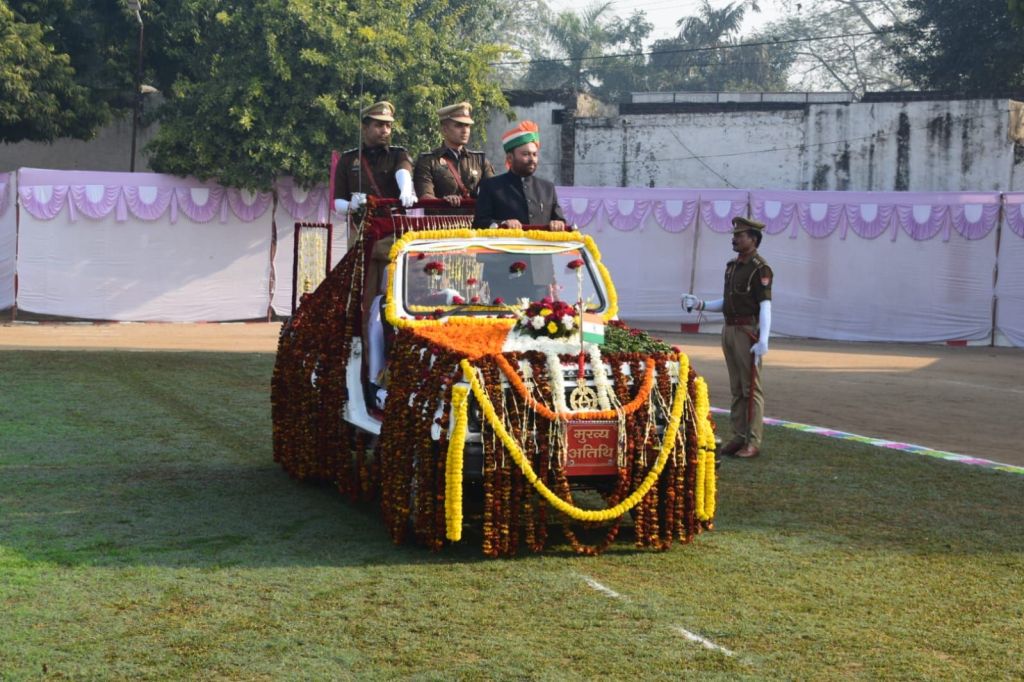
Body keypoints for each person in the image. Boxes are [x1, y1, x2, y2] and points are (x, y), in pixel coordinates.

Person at [682, 216, 773, 459]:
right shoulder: (733, 266)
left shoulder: (760, 268)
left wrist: (763, 340)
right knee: (737, 387)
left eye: (739, 235)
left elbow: (765, 305)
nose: (734, 239)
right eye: (734, 235)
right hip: (730, 329)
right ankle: (739, 436)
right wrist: (701, 304)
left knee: (751, 388)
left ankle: (753, 440)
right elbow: (729, 301)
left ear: (753, 239)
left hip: (747, 332)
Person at [472, 121, 568, 230]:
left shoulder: (547, 189)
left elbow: (560, 220)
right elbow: (479, 223)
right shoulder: (491, 187)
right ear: (510, 158)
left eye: (535, 154)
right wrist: (503, 224)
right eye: (526, 154)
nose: (532, 159)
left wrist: (558, 223)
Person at [332, 101, 416, 216]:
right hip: (361, 225)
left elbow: (403, 171)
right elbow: (338, 203)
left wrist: (406, 190)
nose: (385, 130)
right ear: (365, 128)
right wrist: (351, 206)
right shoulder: (347, 160)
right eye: (379, 125)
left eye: (388, 126)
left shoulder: (398, 155)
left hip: (392, 224)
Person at [413, 102, 494, 206]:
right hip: (441, 216)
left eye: (467, 126)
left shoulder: (479, 160)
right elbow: (425, 196)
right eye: (459, 125)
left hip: (473, 216)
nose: (465, 131)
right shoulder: (428, 161)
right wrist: (444, 201)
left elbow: (494, 193)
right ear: (444, 129)